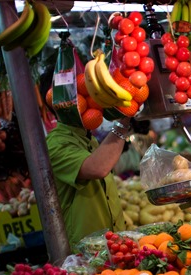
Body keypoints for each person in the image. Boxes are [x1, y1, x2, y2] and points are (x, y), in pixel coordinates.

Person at [41, 69, 128, 248]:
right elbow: (98, 168)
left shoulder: (88, 138)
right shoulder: (55, 143)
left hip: (111, 245)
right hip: (86, 253)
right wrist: (124, 122)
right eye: (83, 92)